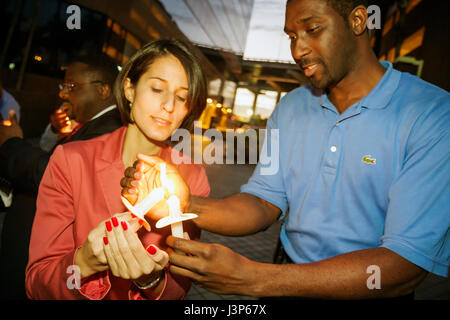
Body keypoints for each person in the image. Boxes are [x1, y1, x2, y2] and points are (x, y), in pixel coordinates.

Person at [121, 0, 449, 299]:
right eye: (291, 36)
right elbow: (264, 202)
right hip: (285, 281)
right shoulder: (291, 107)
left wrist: (255, 279)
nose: (299, 49)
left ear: (358, 20)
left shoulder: (432, 114)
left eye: (312, 29)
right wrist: (183, 203)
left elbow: (405, 263)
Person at [25, 39, 210, 300]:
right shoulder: (72, 160)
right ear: (129, 89)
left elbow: (179, 288)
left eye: (182, 96)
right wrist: (86, 261)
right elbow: (37, 282)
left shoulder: (192, 176)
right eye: (157, 89)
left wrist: (152, 281)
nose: (169, 106)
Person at [0, 56, 122, 300]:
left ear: (103, 90)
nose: (64, 95)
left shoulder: (109, 130)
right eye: (62, 87)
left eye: (71, 87)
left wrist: (11, 143)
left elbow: (54, 174)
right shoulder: (92, 125)